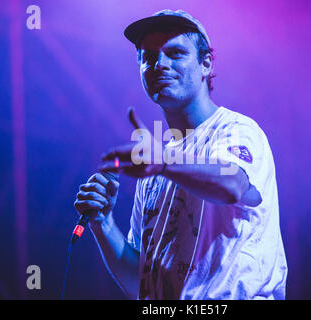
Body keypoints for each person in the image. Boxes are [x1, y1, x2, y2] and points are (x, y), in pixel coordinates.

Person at [74, 9, 287, 300]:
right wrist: (103, 222)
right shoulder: (154, 170)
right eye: (148, 57)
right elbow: (143, 284)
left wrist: (162, 161)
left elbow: (232, 185)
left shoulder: (236, 130)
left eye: (175, 53)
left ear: (206, 64)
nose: (159, 64)